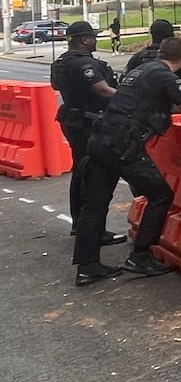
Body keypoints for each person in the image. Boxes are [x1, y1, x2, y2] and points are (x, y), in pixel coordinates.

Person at [72, 37, 181, 286]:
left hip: (101, 139)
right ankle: (141, 256)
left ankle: (87, 265)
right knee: (161, 195)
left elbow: (153, 104)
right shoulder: (166, 76)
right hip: (124, 145)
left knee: (96, 204)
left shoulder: (141, 70)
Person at [50, 21, 123, 246]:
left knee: (80, 170)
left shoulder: (61, 61)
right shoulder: (84, 63)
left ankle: (79, 223)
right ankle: (93, 230)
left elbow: (55, 87)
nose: (95, 40)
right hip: (87, 121)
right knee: (94, 175)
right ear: (83, 39)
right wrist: (127, 97)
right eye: (92, 37)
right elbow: (101, 89)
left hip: (72, 118)